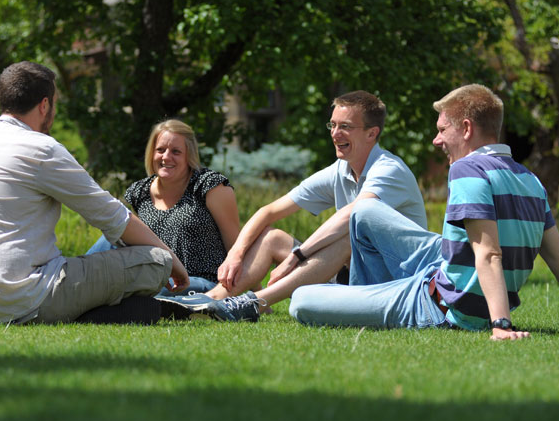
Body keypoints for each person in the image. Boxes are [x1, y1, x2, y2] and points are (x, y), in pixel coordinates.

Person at [289, 84, 559, 340]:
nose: (436, 141)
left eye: (441, 129)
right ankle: (367, 297)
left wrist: (501, 325)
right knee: (364, 212)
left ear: (466, 129)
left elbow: (489, 254)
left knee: (301, 300)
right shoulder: (531, 180)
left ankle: (366, 303)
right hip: (441, 267)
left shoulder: (467, 170)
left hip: (439, 305)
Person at [0, 61, 189, 325]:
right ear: (45, 105)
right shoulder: (41, 149)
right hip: (21, 298)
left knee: (140, 301)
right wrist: (172, 259)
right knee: (154, 261)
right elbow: (113, 217)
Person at [158, 90, 427, 321]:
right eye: (332, 125)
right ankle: (210, 300)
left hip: (396, 282)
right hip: (355, 274)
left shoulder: (389, 170)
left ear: (372, 134)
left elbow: (350, 216)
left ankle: (253, 303)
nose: (335, 133)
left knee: (350, 232)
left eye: (345, 126)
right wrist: (235, 254)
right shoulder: (340, 170)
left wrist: (296, 257)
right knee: (273, 237)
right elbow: (269, 212)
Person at [85, 119, 240, 296]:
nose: (166, 157)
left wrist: (254, 293)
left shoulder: (209, 186)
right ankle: (74, 281)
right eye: (160, 150)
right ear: (152, 153)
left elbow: (236, 247)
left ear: (189, 155)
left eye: (176, 152)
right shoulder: (140, 192)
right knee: (114, 236)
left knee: (144, 289)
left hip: (203, 282)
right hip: (155, 276)